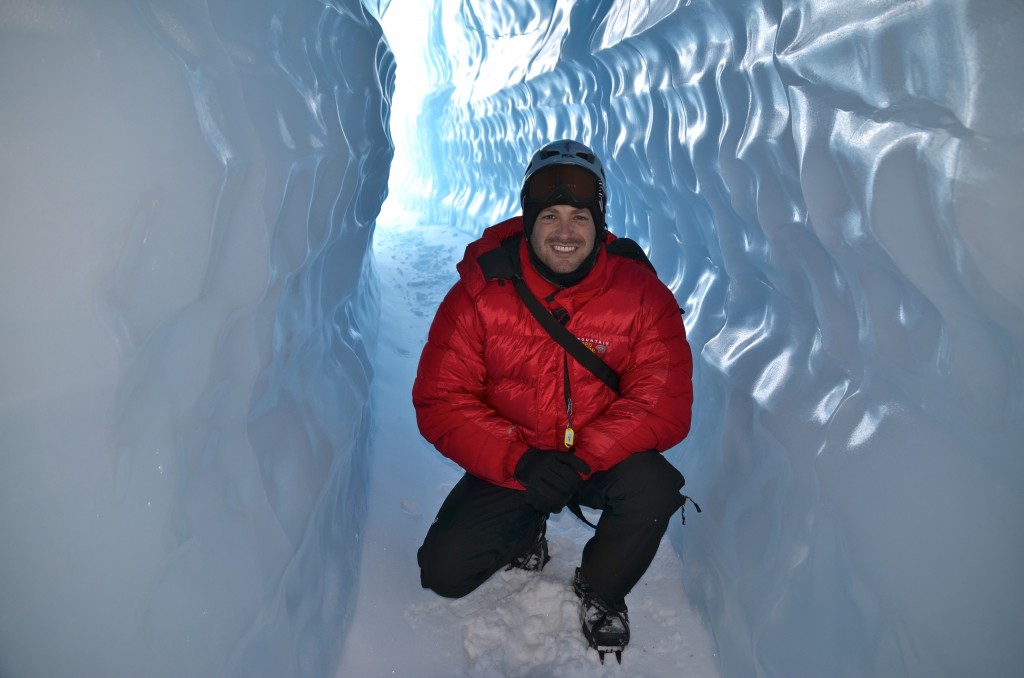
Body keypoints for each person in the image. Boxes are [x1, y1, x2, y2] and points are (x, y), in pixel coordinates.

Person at [412, 139, 694, 664]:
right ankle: (526, 530)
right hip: (519, 459)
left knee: (653, 488)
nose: (565, 232)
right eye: (551, 216)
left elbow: (663, 400)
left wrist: (584, 457)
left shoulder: (641, 295)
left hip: (597, 456)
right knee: (444, 574)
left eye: (580, 217)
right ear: (528, 220)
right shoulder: (481, 292)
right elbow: (441, 399)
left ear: (600, 222)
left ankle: (601, 589)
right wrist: (521, 460)